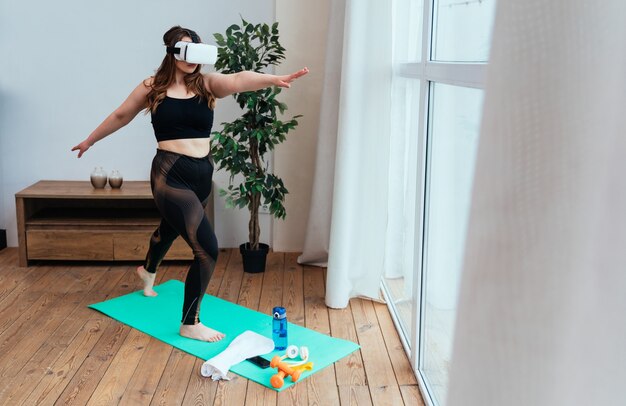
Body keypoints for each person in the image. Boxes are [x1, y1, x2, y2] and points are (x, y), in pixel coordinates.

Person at [71, 26, 308, 342]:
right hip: (169, 173)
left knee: (170, 228)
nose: (193, 58)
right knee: (208, 250)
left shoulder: (207, 85)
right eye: (186, 50)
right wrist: (89, 140)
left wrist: (271, 80)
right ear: (171, 52)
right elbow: (120, 115)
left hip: (202, 173)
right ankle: (190, 322)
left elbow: (238, 79)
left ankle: (148, 270)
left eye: (197, 50)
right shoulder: (153, 86)